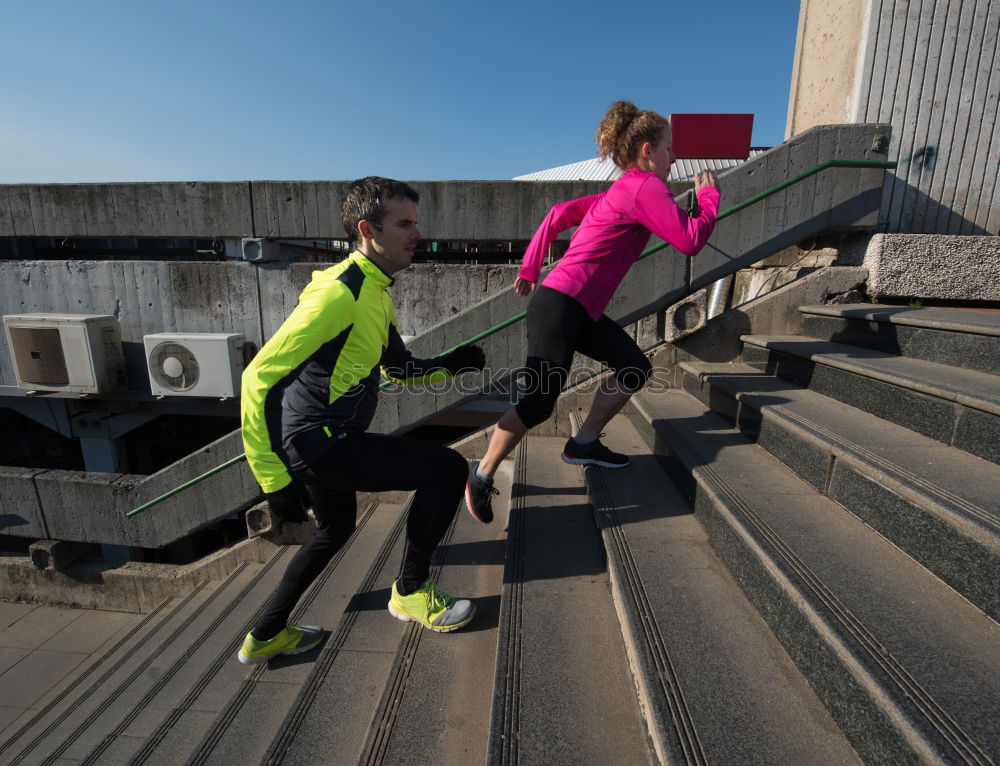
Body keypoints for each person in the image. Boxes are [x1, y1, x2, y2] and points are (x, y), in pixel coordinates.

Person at [237, 176, 486, 665]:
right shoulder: (339, 294)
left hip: (326, 440)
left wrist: (451, 362)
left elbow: (399, 370)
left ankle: (265, 633)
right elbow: (256, 378)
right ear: (368, 229)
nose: (418, 234)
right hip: (316, 443)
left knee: (334, 532)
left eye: (417, 223)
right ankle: (411, 590)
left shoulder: (377, 293)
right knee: (447, 469)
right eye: (405, 224)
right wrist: (272, 481)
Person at [465, 101, 720, 524]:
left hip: (574, 307)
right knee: (538, 403)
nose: (674, 158)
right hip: (561, 305)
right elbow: (690, 240)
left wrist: (531, 267)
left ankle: (583, 443)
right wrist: (709, 198)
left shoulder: (623, 191)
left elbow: (557, 214)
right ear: (646, 150)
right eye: (669, 148)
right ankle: (480, 475)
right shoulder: (644, 187)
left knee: (633, 367)